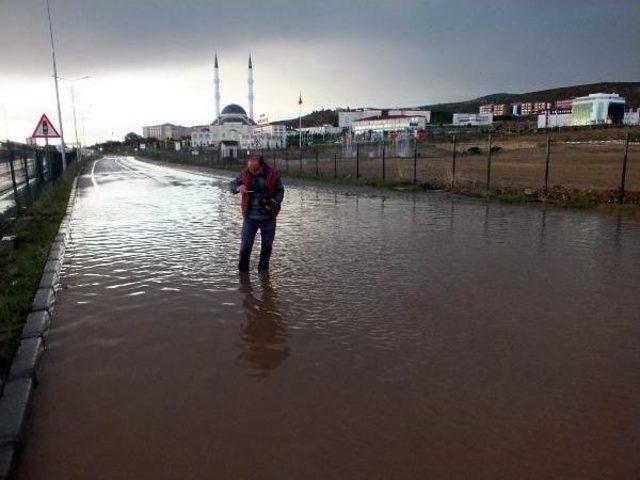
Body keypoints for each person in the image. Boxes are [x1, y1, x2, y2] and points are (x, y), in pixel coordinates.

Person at [230, 155, 284, 272]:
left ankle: (263, 274)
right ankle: (243, 277)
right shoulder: (244, 174)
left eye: (256, 170)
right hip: (250, 218)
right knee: (245, 248)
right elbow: (232, 185)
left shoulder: (273, 174)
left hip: (269, 218)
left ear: (262, 166)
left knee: (267, 248)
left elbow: (280, 191)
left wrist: (273, 201)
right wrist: (239, 187)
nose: (253, 172)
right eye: (250, 170)